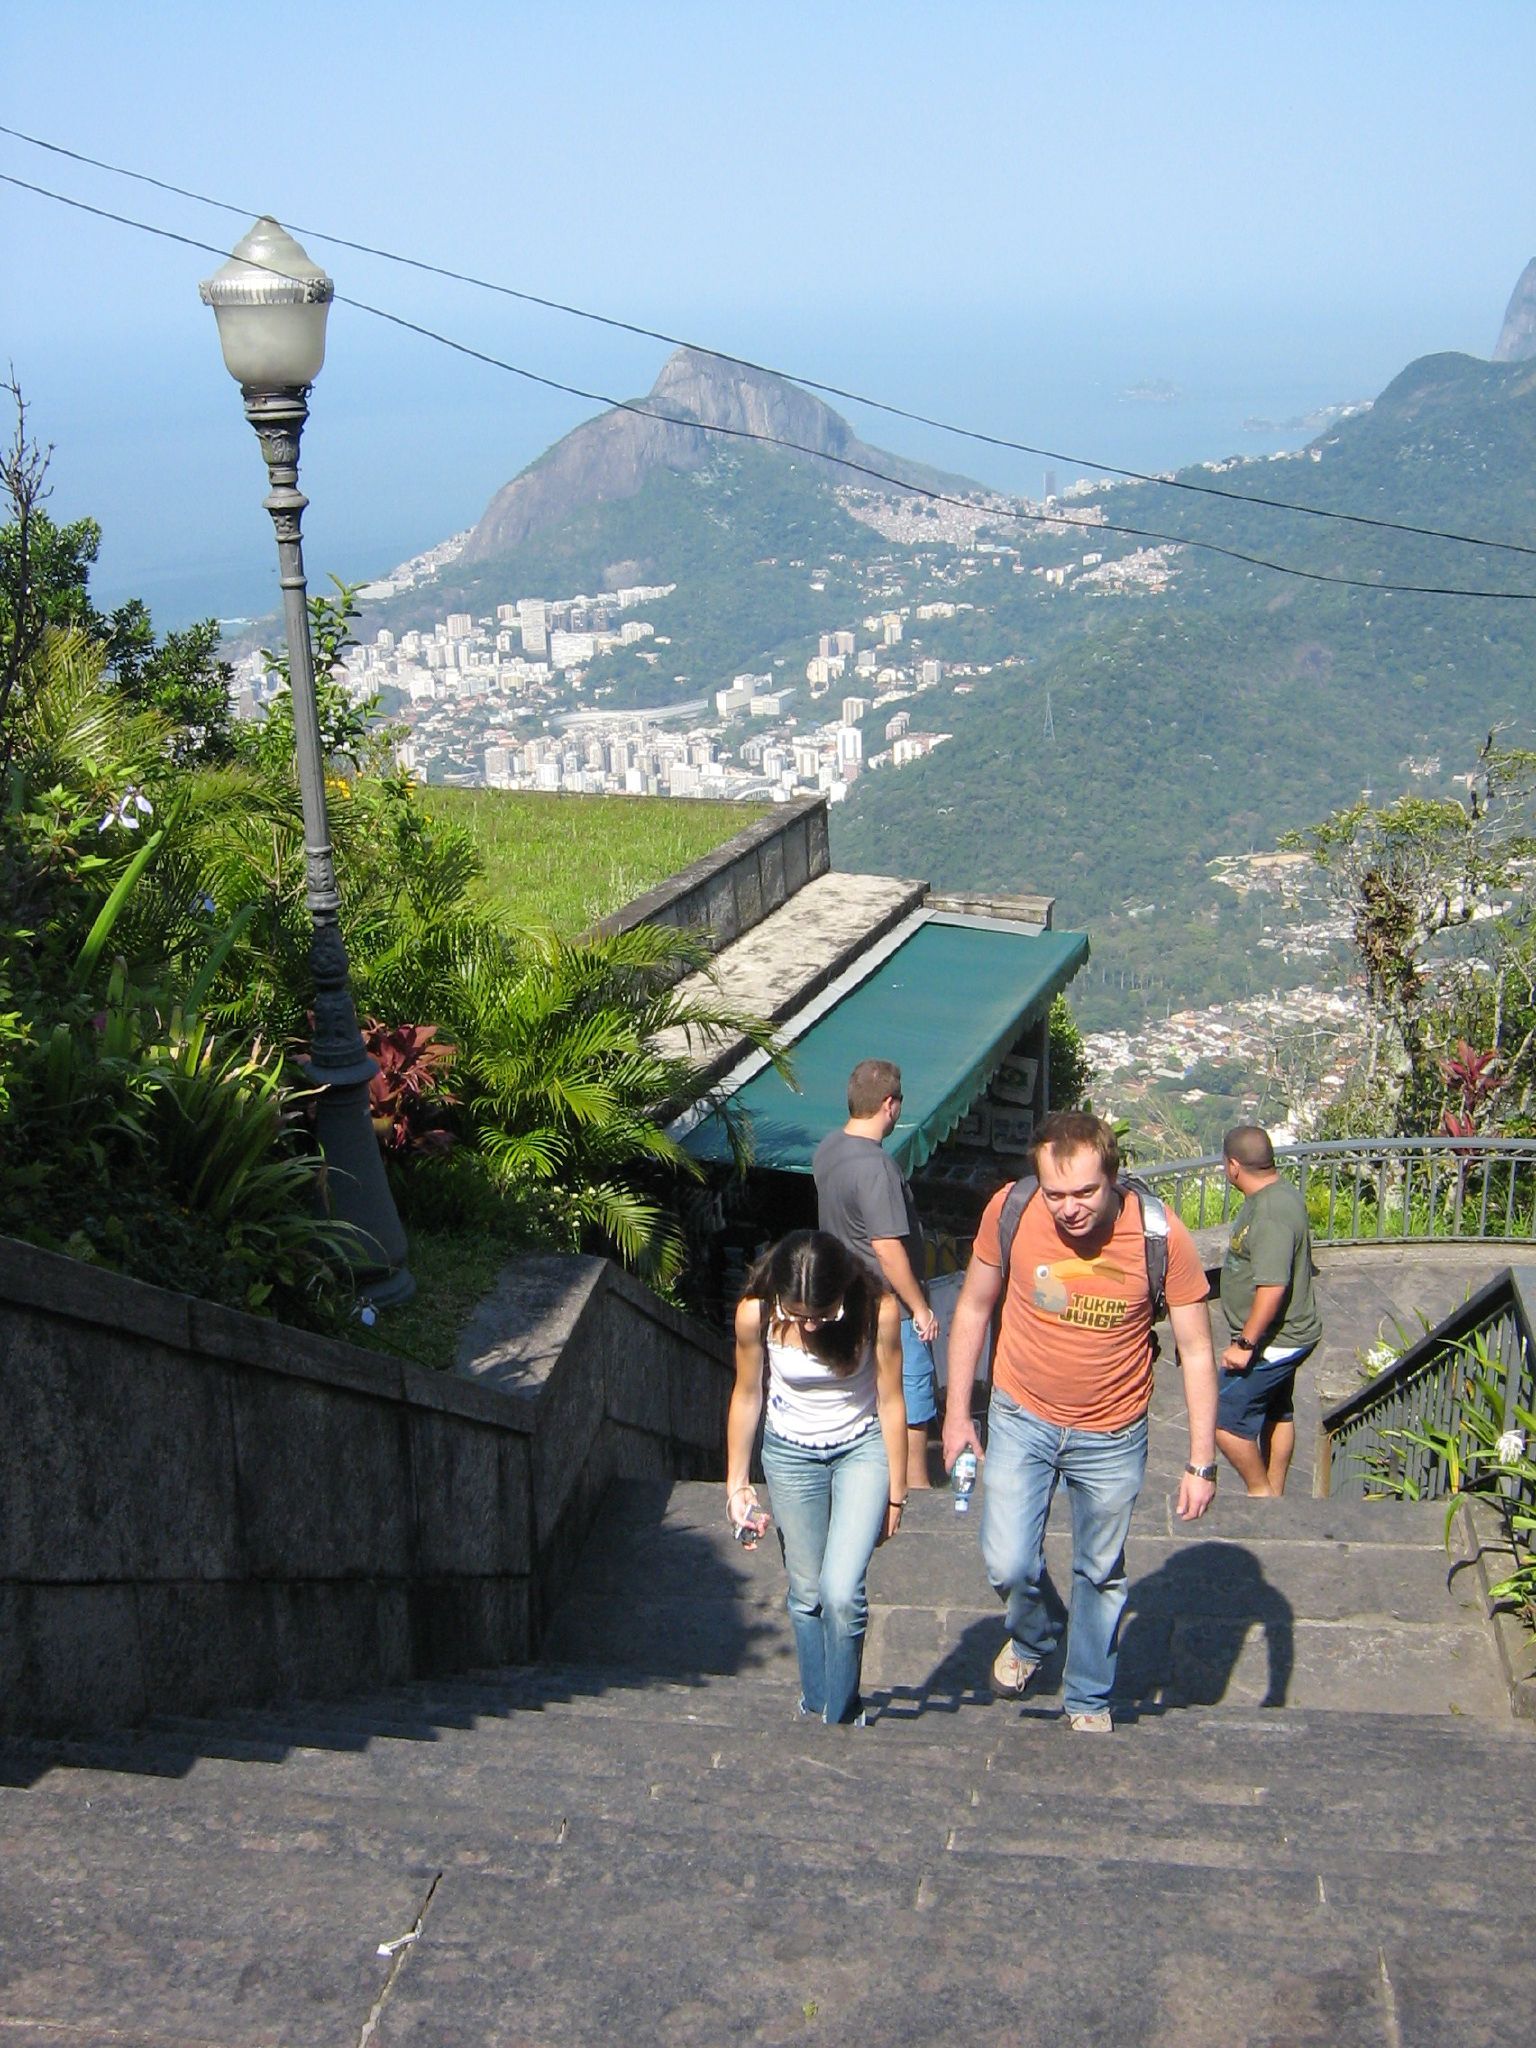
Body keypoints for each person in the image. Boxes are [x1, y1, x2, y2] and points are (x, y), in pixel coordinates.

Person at [942, 1110, 1219, 1733]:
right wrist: (958, 1413)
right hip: (1022, 1414)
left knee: (1100, 1569)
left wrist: (1201, 1460)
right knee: (1007, 1561)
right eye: (1056, 1194)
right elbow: (974, 1308)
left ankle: (1089, 1695)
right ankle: (1036, 1636)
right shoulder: (1010, 1211)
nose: (1069, 1209)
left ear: (1114, 1178)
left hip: (1113, 1431)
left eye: (1085, 1192)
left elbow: (1196, 1348)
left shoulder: (1159, 1234)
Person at [725, 1230, 907, 1726]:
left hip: (860, 1449)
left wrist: (897, 1491)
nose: (807, 1326)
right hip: (790, 1454)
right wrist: (736, 1483)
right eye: (797, 1313)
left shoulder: (876, 1310)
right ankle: (817, 1703)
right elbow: (747, 1395)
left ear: (843, 1293)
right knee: (807, 1593)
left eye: (821, 1315)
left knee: (842, 1591)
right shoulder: (756, 1313)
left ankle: (843, 1713)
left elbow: (891, 1398)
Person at [813, 1057, 941, 1490]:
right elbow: (887, 1248)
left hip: (847, 1302)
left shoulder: (827, 1150)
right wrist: (920, 1308)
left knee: (868, 1401)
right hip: (891, 1309)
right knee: (912, 1406)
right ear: (890, 1104)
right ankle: (914, 1494)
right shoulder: (877, 1166)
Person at [1215, 1125, 1322, 1497]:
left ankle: (1260, 1494)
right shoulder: (1278, 1196)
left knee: (1223, 1420)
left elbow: (1273, 1286)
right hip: (1284, 1335)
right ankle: (1275, 1495)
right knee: (1278, 1410)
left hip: (1273, 1340)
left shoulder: (1271, 1213)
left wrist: (1245, 1344)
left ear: (1233, 1166)